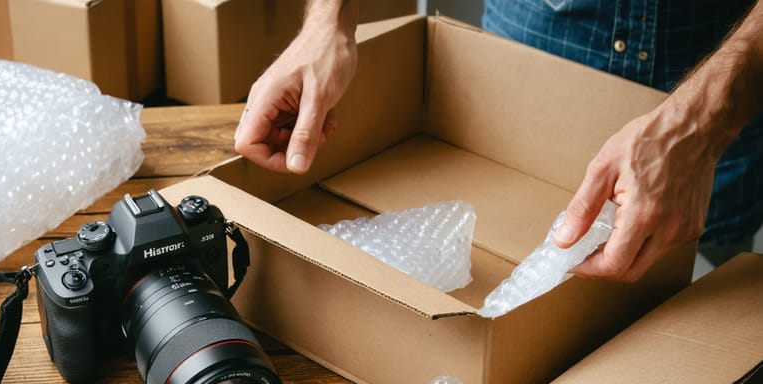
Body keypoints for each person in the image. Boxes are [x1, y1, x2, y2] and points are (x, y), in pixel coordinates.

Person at [233, 0, 762, 282]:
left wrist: (703, 121)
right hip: (530, 56)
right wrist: (328, 18)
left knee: (700, 290)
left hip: (728, 77)